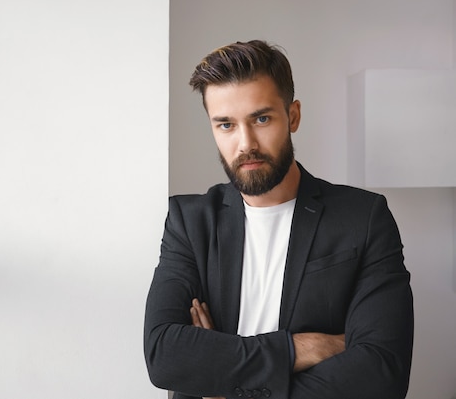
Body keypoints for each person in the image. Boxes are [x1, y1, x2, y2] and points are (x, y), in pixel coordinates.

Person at [143, 40, 414, 399]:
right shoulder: (189, 223)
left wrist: (223, 382)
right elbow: (165, 356)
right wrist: (297, 349)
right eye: (225, 125)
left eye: (261, 118)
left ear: (294, 116)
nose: (245, 144)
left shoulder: (363, 218)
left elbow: (382, 371)